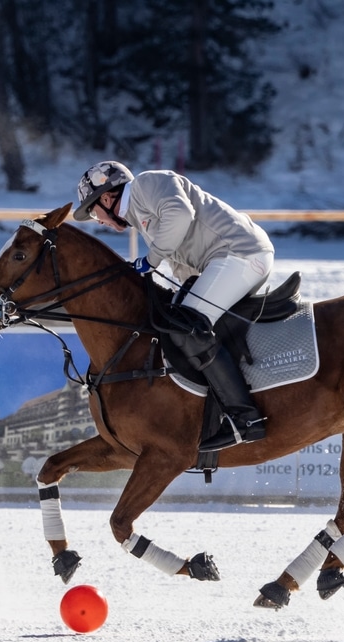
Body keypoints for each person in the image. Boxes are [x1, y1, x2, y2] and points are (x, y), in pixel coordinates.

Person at [74, 161, 275, 450]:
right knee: (175, 320)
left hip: (240, 253)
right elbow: (182, 265)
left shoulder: (145, 184)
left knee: (187, 327)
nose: (100, 221)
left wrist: (151, 259)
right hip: (224, 260)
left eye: (94, 213)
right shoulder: (143, 216)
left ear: (106, 198)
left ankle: (246, 419)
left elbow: (180, 215)